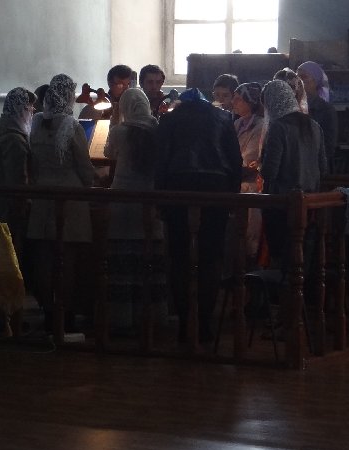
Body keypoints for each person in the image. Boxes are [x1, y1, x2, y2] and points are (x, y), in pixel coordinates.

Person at [155, 87, 242, 342]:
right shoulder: (223, 117)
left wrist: (160, 199)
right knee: (211, 256)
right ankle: (204, 323)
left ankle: (184, 323)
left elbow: (161, 160)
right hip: (216, 188)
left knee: (179, 256)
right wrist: (232, 197)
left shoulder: (170, 119)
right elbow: (235, 161)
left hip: (177, 186)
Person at [28, 74, 96, 331]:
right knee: (68, 257)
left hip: (42, 195)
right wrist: (91, 184)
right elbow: (84, 167)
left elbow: (33, 162)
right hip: (70, 197)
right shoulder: (71, 125)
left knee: (45, 257)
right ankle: (65, 313)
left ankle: (48, 311)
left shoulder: (36, 122)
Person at [102, 88, 168, 334]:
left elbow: (108, 153)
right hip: (149, 197)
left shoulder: (120, 131)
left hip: (123, 198)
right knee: (148, 257)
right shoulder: (158, 129)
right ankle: (152, 315)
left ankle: (122, 317)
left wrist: (113, 120)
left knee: (123, 259)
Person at [0, 86, 37, 332]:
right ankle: (7, 315)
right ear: (21, 108)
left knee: (1, 259)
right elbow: (18, 178)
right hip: (10, 204)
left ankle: (3, 313)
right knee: (12, 260)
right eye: (30, 108)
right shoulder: (14, 138)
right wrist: (24, 204)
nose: (32, 112)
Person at [258, 79, 327, 268]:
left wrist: (259, 166)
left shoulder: (278, 127)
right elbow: (323, 168)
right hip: (310, 203)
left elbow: (270, 172)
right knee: (302, 257)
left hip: (281, 204)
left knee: (281, 257)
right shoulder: (314, 126)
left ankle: (281, 286)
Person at [230, 82, 265, 266]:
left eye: (238, 99)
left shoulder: (260, 125)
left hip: (251, 184)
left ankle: (248, 262)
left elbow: (251, 157)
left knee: (250, 228)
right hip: (237, 180)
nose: (233, 103)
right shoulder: (237, 123)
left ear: (250, 102)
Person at [296, 61, 338, 166]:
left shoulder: (326, 110)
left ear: (316, 81)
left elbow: (328, 146)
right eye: (296, 77)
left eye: (304, 77)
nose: (298, 81)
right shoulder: (291, 106)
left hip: (314, 166)